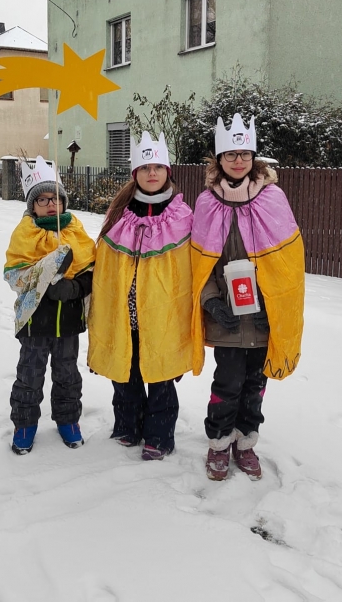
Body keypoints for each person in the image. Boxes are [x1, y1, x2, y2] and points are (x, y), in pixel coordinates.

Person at [189, 114, 305, 480]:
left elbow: (287, 263)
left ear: (253, 157)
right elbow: (199, 264)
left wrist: (275, 305)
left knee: (256, 385)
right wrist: (210, 301)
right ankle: (219, 444)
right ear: (219, 159)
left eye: (244, 154)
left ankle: (246, 443)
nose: (238, 161)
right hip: (227, 318)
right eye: (230, 154)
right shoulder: (207, 203)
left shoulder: (273, 198)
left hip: (262, 317)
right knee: (227, 383)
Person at [87, 132, 200, 460]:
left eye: (158, 167)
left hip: (163, 315)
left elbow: (191, 269)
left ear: (168, 172)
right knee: (126, 371)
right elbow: (103, 264)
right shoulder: (119, 212)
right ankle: (127, 426)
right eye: (146, 168)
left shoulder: (183, 216)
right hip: (124, 313)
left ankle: (159, 436)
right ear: (135, 173)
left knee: (161, 376)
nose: (153, 173)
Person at [3, 156, 96, 455]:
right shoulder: (25, 232)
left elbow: (92, 270)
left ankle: (68, 419)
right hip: (35, 322)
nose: (50, 204)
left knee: (67, 374)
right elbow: (14, 274)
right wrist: (43, 277)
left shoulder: (75, 230)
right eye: (42, 200)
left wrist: (74, 287)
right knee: (30, 374)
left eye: (55, 198)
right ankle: (24, 423)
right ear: (32, 205)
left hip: (69, 320)